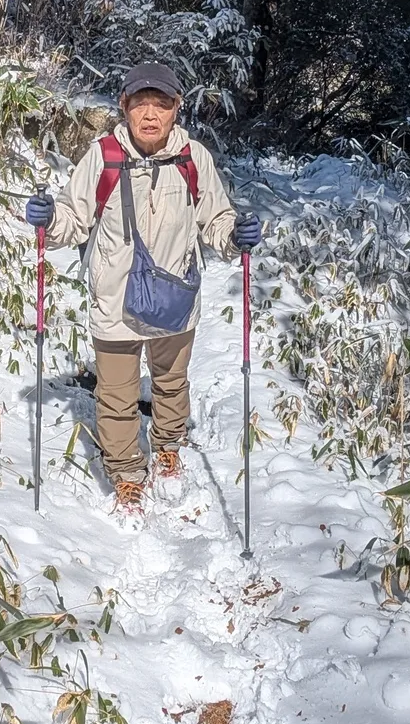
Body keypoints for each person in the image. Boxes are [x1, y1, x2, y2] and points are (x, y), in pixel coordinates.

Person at [23, 62, 263, 512]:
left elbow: (215, 219)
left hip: (174, 296)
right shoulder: (102, 156)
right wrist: (48, 218)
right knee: (116, 396)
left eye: (162, 104)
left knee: (171, 384)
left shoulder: (194, 159)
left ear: (178, 109)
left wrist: (235, 238)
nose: (150, 114)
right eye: (141, 103)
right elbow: (73, 220)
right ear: (124, 105)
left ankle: (168, 446)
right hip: (115, 300)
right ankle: (127, 471)